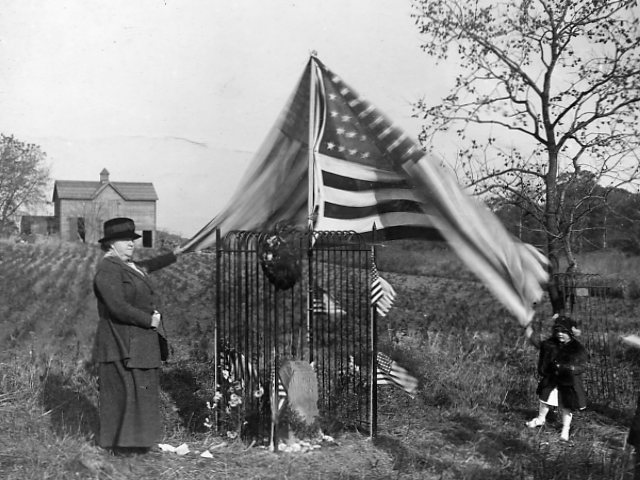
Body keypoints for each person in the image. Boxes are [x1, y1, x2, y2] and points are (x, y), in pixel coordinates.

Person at [92, 217, 184, 454]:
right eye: (125, 239)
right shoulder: (108, 268)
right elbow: (117, 306)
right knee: (125, 393)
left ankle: (136, 445)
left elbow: (148, 266)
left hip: (137, 342)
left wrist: (174, 254)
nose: (131, 243)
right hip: (121, 341)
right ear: (111, 243)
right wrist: (148, 320)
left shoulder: (128, 265)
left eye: (132, 239)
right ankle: (123, 447)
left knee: (139, 392)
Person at [525, 315, 587, 442]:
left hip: (568, 381)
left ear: (570, 332)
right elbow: (539, 344)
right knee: (545, 399)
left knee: (566, 406)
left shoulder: (577, 348)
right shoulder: (551, 344)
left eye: (564, 332)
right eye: (557, 331)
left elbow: (582, 365)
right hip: (552, 378)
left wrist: (570, 368)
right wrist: (529, 332)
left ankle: (565, 429)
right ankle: (541, 419)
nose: (560, 334)